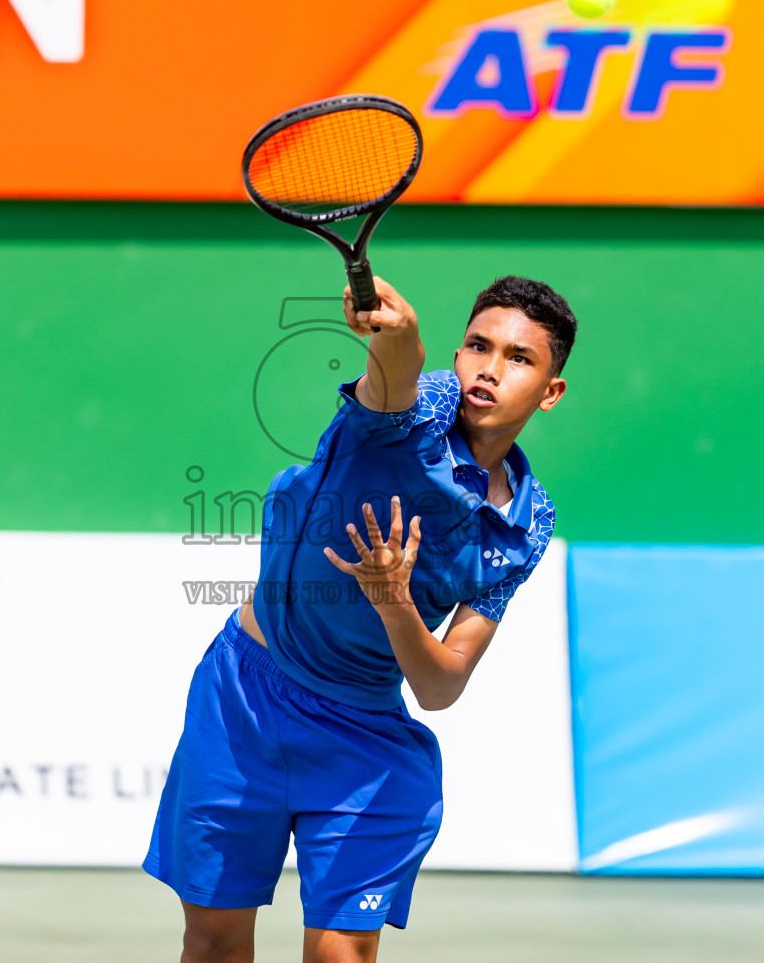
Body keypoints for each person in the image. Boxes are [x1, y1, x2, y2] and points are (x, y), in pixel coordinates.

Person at [146, 274, 577, 963]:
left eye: (518, 358)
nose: (488, 370)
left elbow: (440, 688)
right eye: (477, 346)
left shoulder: (525, 525)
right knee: (214, 942)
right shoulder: (429, 405)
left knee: (341, 954)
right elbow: (393, 384)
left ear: (550, 392)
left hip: (363, 736)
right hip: (244, 704)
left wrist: (394, 602)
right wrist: (397, 340)